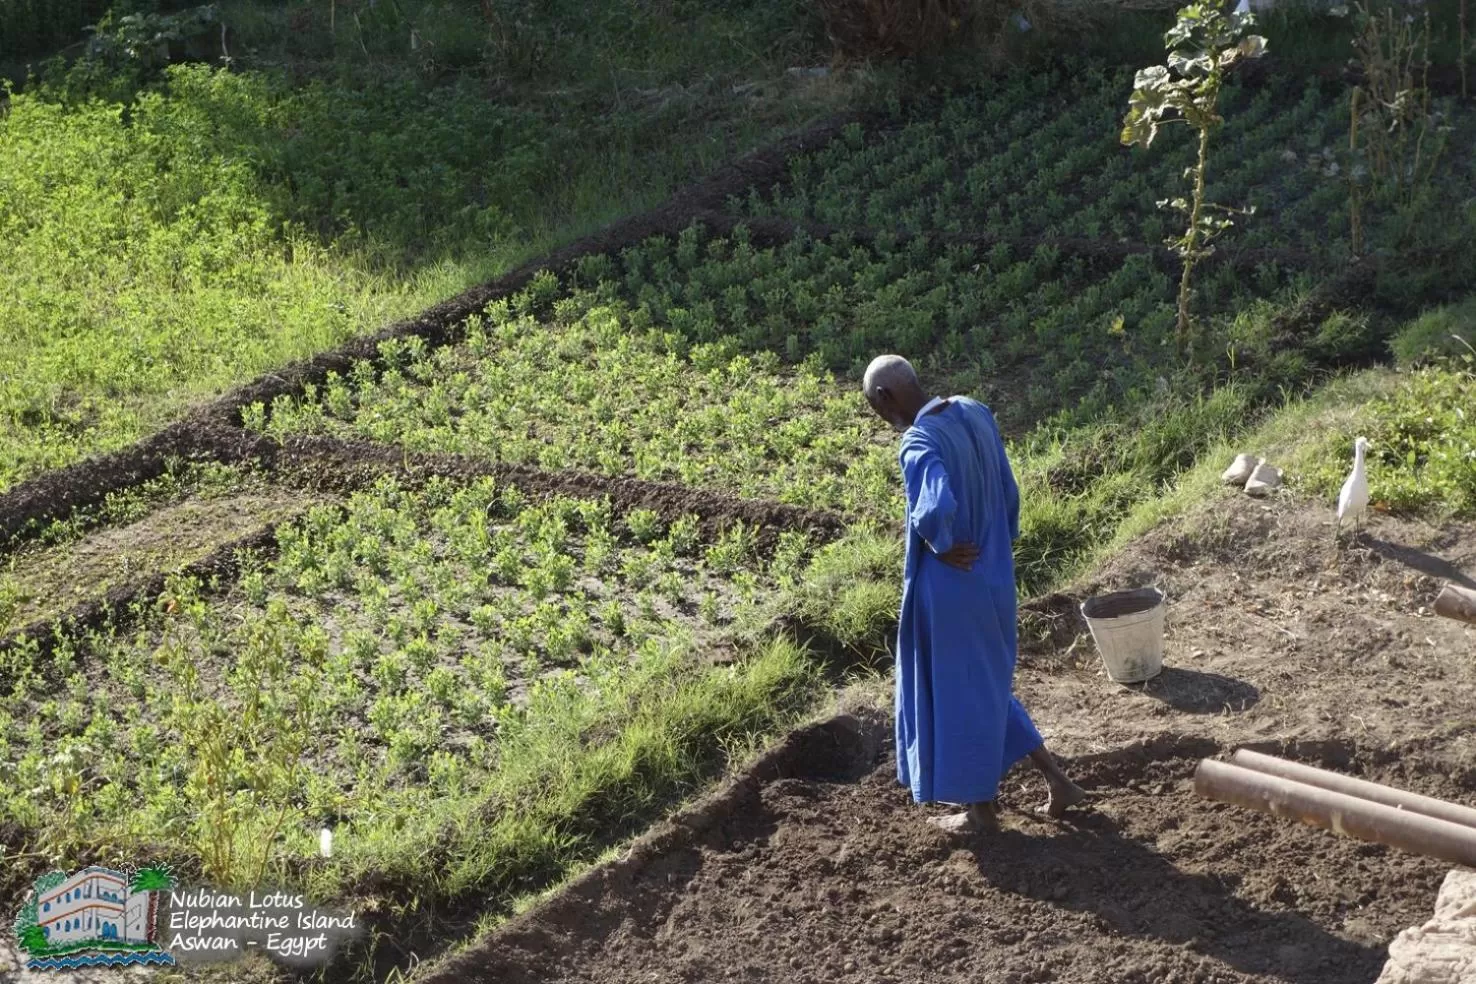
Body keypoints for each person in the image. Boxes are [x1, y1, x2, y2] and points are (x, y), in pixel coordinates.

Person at [863, 354, 1088, 834]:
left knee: (957, 693)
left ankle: (980, 811)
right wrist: (998, 541)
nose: (881, 419)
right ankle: (1058, 781)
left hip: (952, 590)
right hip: (994, 575)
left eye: (875, 409)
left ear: (886, 398)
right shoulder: (973, 410)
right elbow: (1008, 491)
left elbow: (934, 505)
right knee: (985, 686)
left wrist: (940, 544)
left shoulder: (919, 441)